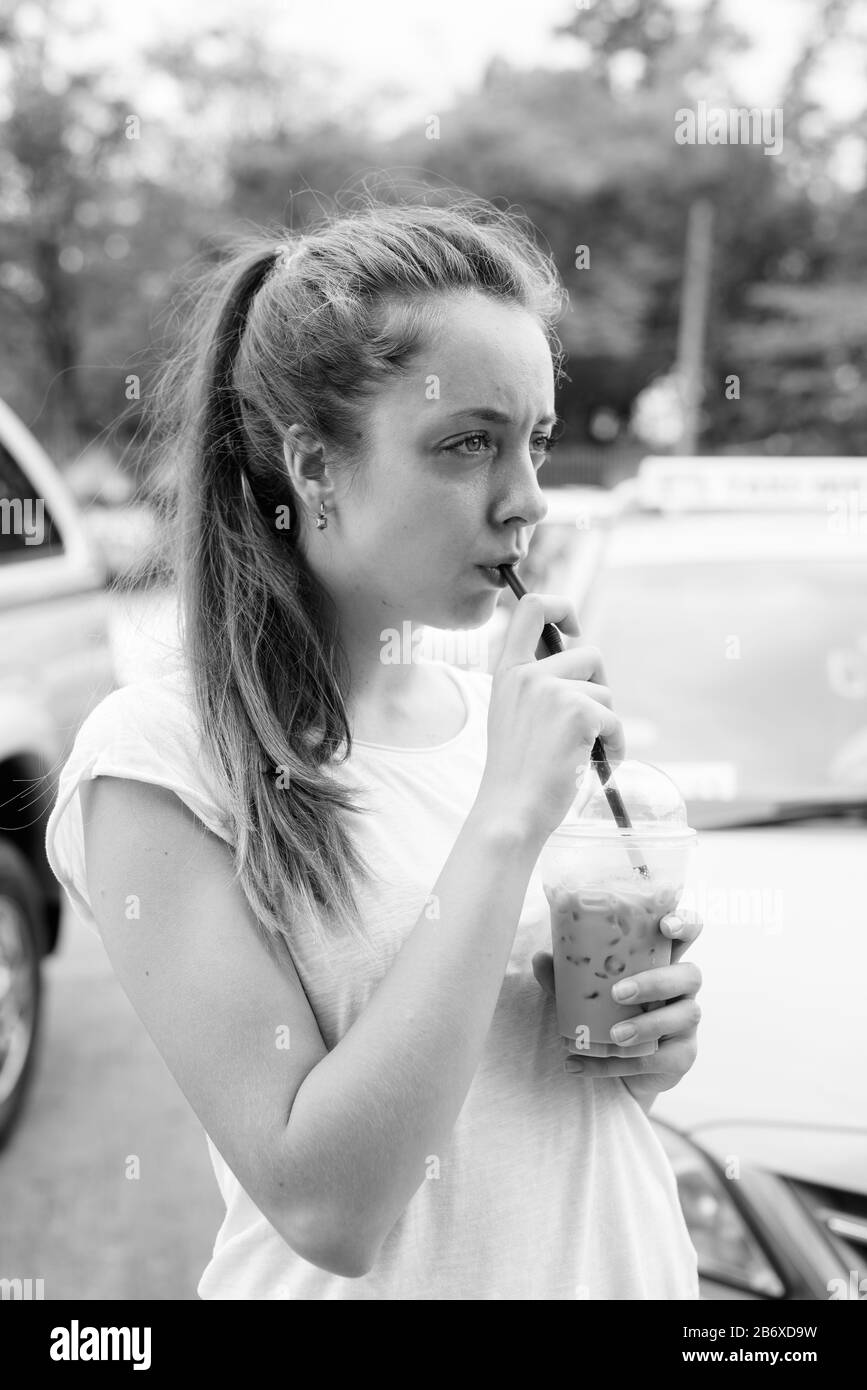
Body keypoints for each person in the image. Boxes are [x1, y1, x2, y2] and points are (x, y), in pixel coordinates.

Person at [46, 192, 704, 1300]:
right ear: (313, 467)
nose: (527, 501)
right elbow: (327, 1203)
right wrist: (504, 822)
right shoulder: (160, 762)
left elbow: (531, 1106)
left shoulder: (491, 718)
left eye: (535, 441)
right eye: (467, 445)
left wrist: (653, 1051)